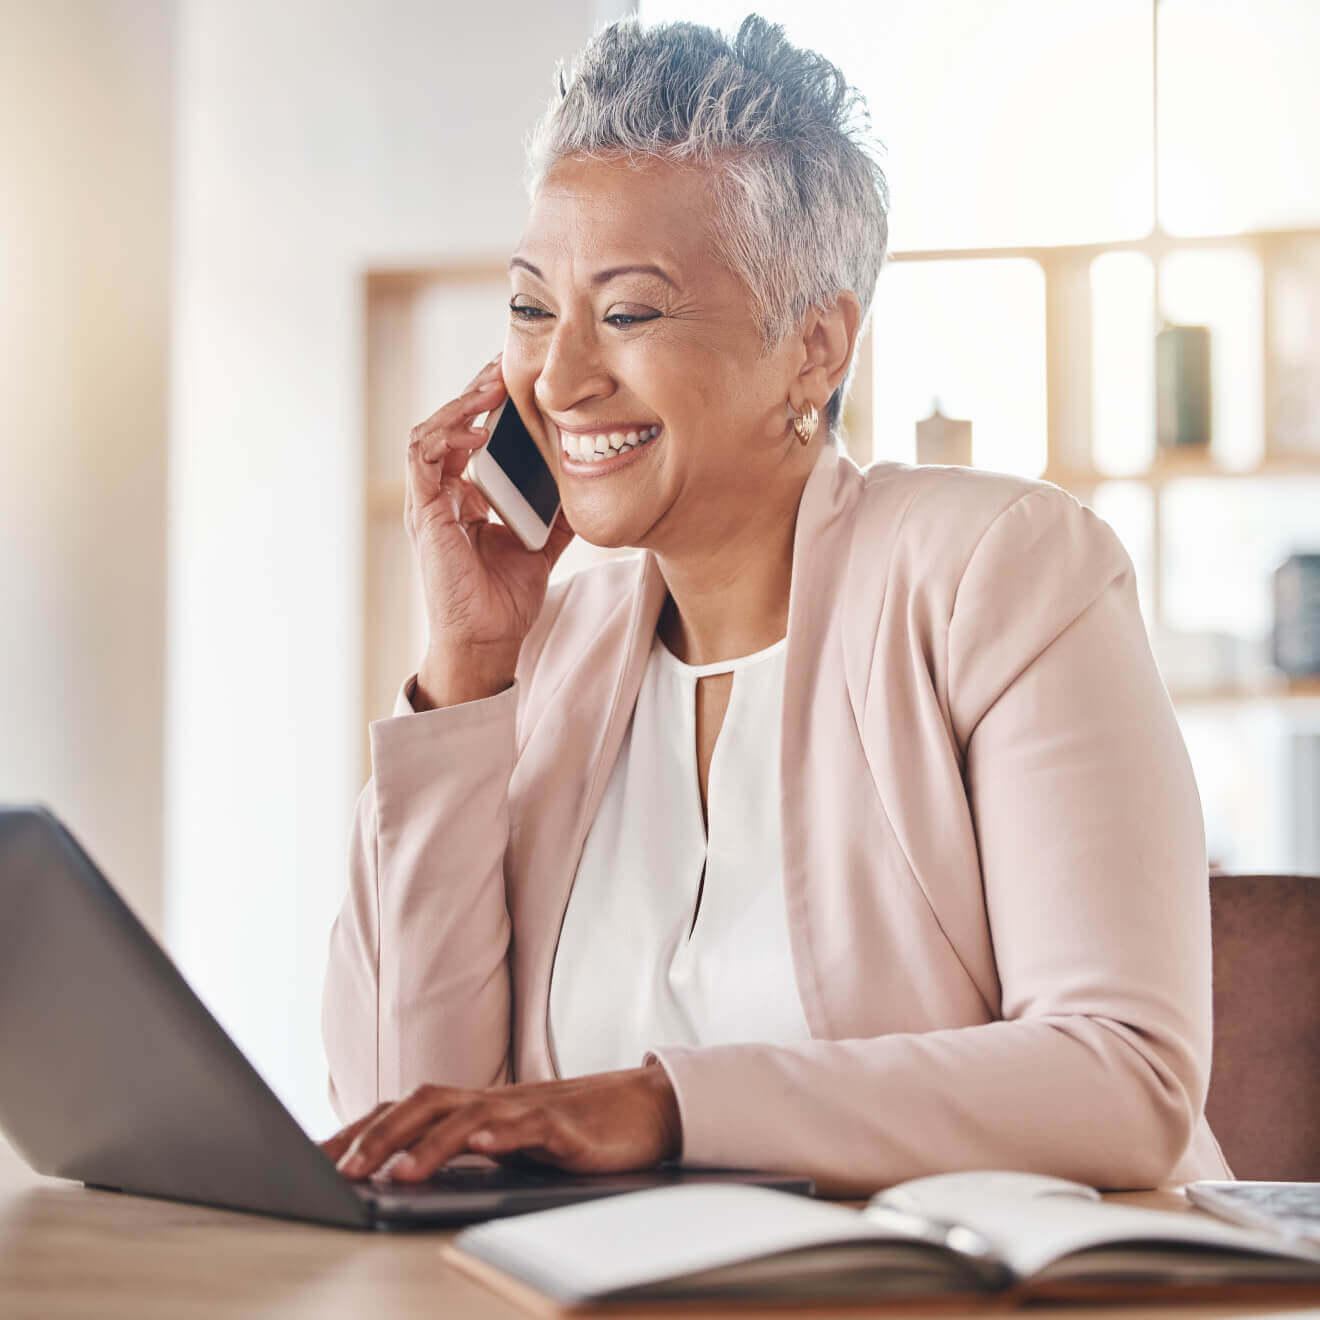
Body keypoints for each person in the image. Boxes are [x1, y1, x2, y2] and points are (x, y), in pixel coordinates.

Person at [319, 13, 1233, 1197]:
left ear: (814, 348)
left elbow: (1125, 1081)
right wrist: (464, 672)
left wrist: (665, 1106)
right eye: (534, 308)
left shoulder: (1001, 571)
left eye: (630, 312)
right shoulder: (545, 659)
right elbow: (405, 1118)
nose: (558, 376)